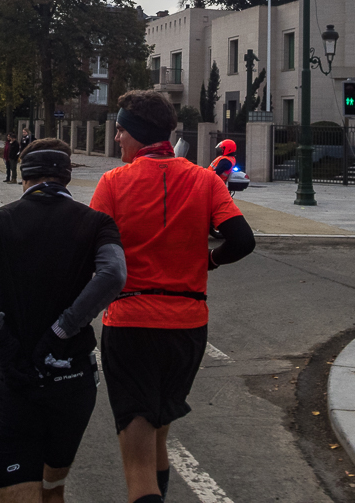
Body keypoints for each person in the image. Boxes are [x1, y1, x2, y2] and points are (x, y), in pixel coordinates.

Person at [90, 91, 256, 503]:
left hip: (131, 325)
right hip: (187, 326)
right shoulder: (205, 179)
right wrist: (210, 263)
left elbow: (92, 252)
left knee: (138, 454)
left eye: (120, 131)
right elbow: (242, 240)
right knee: (160, 430)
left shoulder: (113, 182)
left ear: (137, 134)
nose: (116, 140)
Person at [0, 138, 126, 503]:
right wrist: (64, 327)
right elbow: (113, 274)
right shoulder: (97, 223)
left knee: (18, 489)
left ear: (24, 179)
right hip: (71, 375)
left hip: (15, 372)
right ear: (66, 179)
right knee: (52, 488)